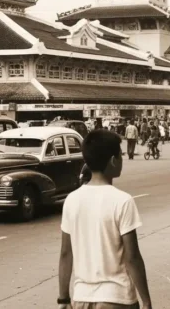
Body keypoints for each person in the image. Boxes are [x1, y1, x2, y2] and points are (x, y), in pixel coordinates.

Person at [58, 130, 152, 309]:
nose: (122, 159)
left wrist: (63, 299)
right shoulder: (122, 201)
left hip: (81, 298)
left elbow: (65, 253)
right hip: (116, 299)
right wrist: (146, 300)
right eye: (120, 154)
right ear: (113, 161)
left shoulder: (72, 200)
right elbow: (132, 258)